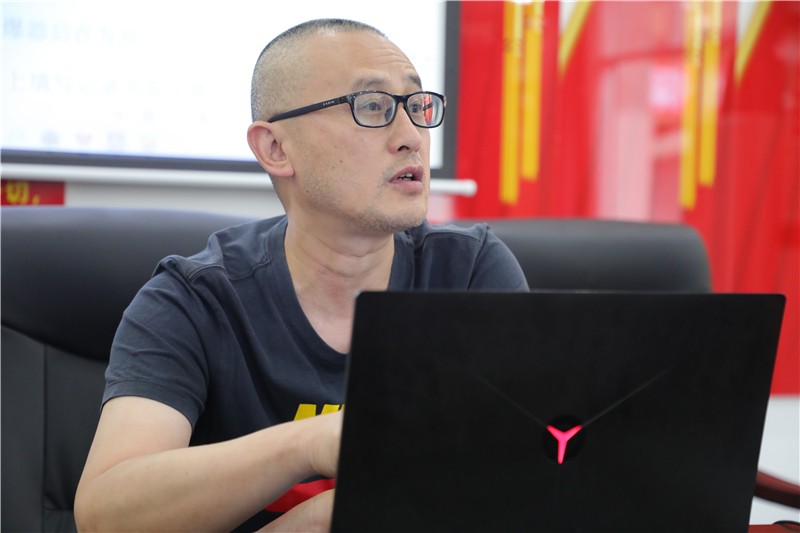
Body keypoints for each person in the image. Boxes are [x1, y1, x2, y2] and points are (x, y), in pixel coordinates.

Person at [75, 18, 528, 532]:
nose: (411, 138)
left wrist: (332, 515)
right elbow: (107, 515)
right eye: (372, 106)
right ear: (275, 148)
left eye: (416, 106)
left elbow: (525, 477)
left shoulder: (467, 272)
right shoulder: (195, 300)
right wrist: (313, 446)